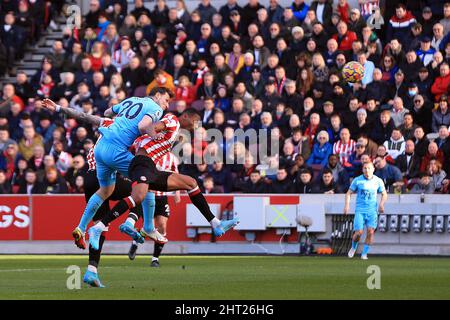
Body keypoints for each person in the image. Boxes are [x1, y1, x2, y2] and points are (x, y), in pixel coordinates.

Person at [42, 88, 171, 249]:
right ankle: (147, 227)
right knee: (147, 180)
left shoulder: (129, 102)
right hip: (116, 152)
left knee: (105, 191)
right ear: (157, 95)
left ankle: (81, 228)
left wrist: (59, 108)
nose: (166, 106)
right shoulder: (155, 109)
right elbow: (143, 125)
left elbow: (102, 112)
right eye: (166, 100)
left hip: (99, 152)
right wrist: (155, 135)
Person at [127, 151, 181, 267]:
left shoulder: (171, 157)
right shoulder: (149, 154)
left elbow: (176, 174)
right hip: (147, 195)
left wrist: (177, 192)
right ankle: (136, 241)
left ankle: (155, 259)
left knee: (162, 225)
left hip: (162, 197)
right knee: (149, 225)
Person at [345, 161, 387, 260]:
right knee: (358, 232)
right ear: (362, 170)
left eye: (369, 168)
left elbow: (384, 194)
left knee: (370, 232)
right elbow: (348, 193)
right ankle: (353, 247)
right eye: (365, 168)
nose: (367, 170)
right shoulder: (357, 180)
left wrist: (381, 204)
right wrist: (347, 206)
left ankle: (364, 253)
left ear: (373, 169)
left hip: (372, 211)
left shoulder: (378, 181)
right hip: (360, 210)